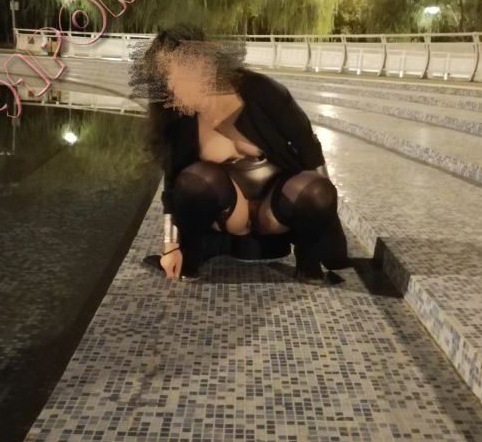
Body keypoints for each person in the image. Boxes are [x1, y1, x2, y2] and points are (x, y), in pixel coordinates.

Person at [129, 24, 351, 284]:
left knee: (317, 191)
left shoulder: (261, 90)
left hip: (277, 206)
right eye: (166, 76)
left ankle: (308, 257)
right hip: (230, 212)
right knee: (192, 182)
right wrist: (171, 246)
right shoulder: (179, 118)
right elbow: (173, 185)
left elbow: (309, 149)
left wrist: (328, 223)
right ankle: (192, 257)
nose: (174, 84)